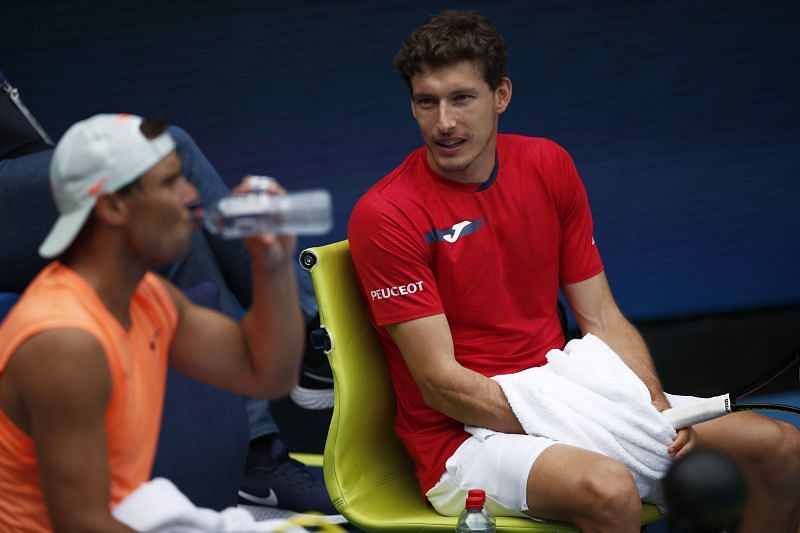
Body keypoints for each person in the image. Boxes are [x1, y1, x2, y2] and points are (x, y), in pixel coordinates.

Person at [348, 10, 800, 532]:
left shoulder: (548, 165)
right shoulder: (386, 214)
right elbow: (442, 386)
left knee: (782, 449)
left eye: (462, 98)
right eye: (426, 102)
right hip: (462, 439)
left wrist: (651, 407)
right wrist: (603, 426)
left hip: (563, 395)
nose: (444, 122)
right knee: (609, 490)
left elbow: (603, 318)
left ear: (501, 95)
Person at [0, 69, 337, 517]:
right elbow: (83, 526)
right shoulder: (64, 344)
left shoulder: (150, 299)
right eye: (170, 183)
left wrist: (270, 264)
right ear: (113, 206)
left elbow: (267, 375)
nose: (193, 196)